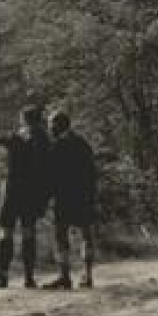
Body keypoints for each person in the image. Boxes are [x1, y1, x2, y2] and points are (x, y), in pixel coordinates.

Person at [0, 105, 51, 289]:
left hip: (14, 190)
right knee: (29, 231)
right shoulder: (44, 139)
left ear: (24, 119)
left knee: (5, 231)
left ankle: (3, 276)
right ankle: (29, 277)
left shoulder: (18, 137)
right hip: (33, 192)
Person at [43, 109, 97, 290]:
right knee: (86, 234)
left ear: (58, 124)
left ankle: (64, 275)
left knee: (61, 235)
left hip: (64, 196)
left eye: (51, 124)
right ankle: (87, 275)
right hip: (83, 195)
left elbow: (50, 174)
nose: (49, 128)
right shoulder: (82, 143)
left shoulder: (57, 146)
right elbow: (92, 170)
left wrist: (48, 195)